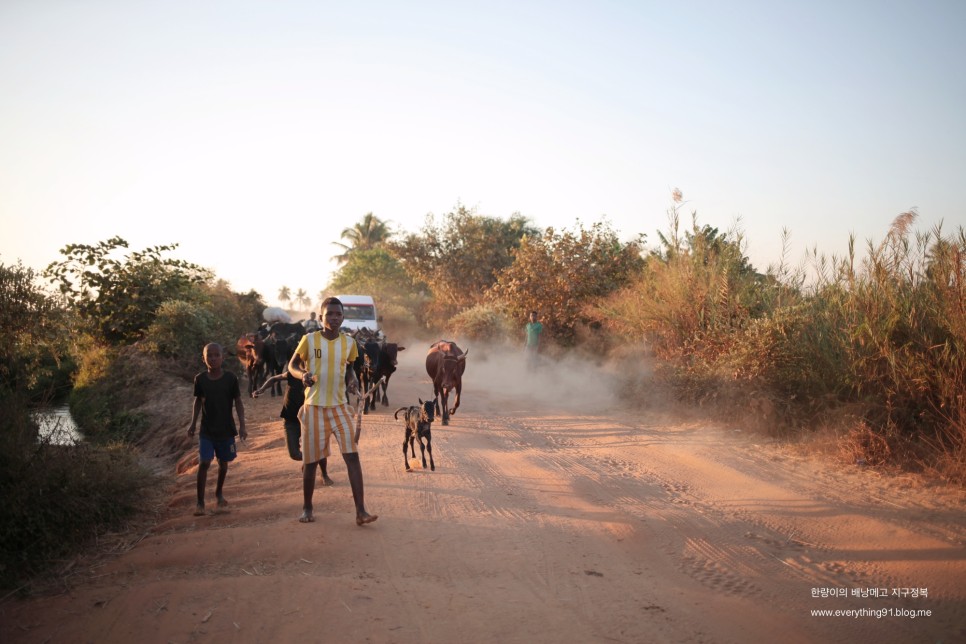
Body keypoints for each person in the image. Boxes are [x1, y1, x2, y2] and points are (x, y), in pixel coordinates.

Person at [288, 297, 378, 526]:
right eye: (330, 314)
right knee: (310, 462)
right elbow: (293, 365)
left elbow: (350, 371)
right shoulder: (309, 340)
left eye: (338, 314)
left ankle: (361, 511)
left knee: (352, 457)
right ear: (321, 317)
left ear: (343, 317)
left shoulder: (349, 343)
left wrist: (352, 382)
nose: (334, 318)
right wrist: (303, 375)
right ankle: (307, 507)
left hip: (339, 407)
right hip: (314, 408)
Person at [187, 342, 247, 516]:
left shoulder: (230, 378)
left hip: (226, 429)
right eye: (209, 356)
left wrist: (242, 425)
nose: (213, 358)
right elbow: (198, 401)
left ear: (223, 357)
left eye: (216, 355)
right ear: (204, 358)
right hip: (207, 430)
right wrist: (192, 424)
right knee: (204, 463)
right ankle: (200, 502)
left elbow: (238, 402)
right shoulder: (200, 379)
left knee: (223, 463)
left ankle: (219, 493)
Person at [253, 370, 333, 486]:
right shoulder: (292, 373)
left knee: (318, 447)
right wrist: (262, 389)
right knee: (294, 454)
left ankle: (324, 474)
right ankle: (310, 461)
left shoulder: (315, 376)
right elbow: (274, 378)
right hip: (290, 418)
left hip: (309, 418)